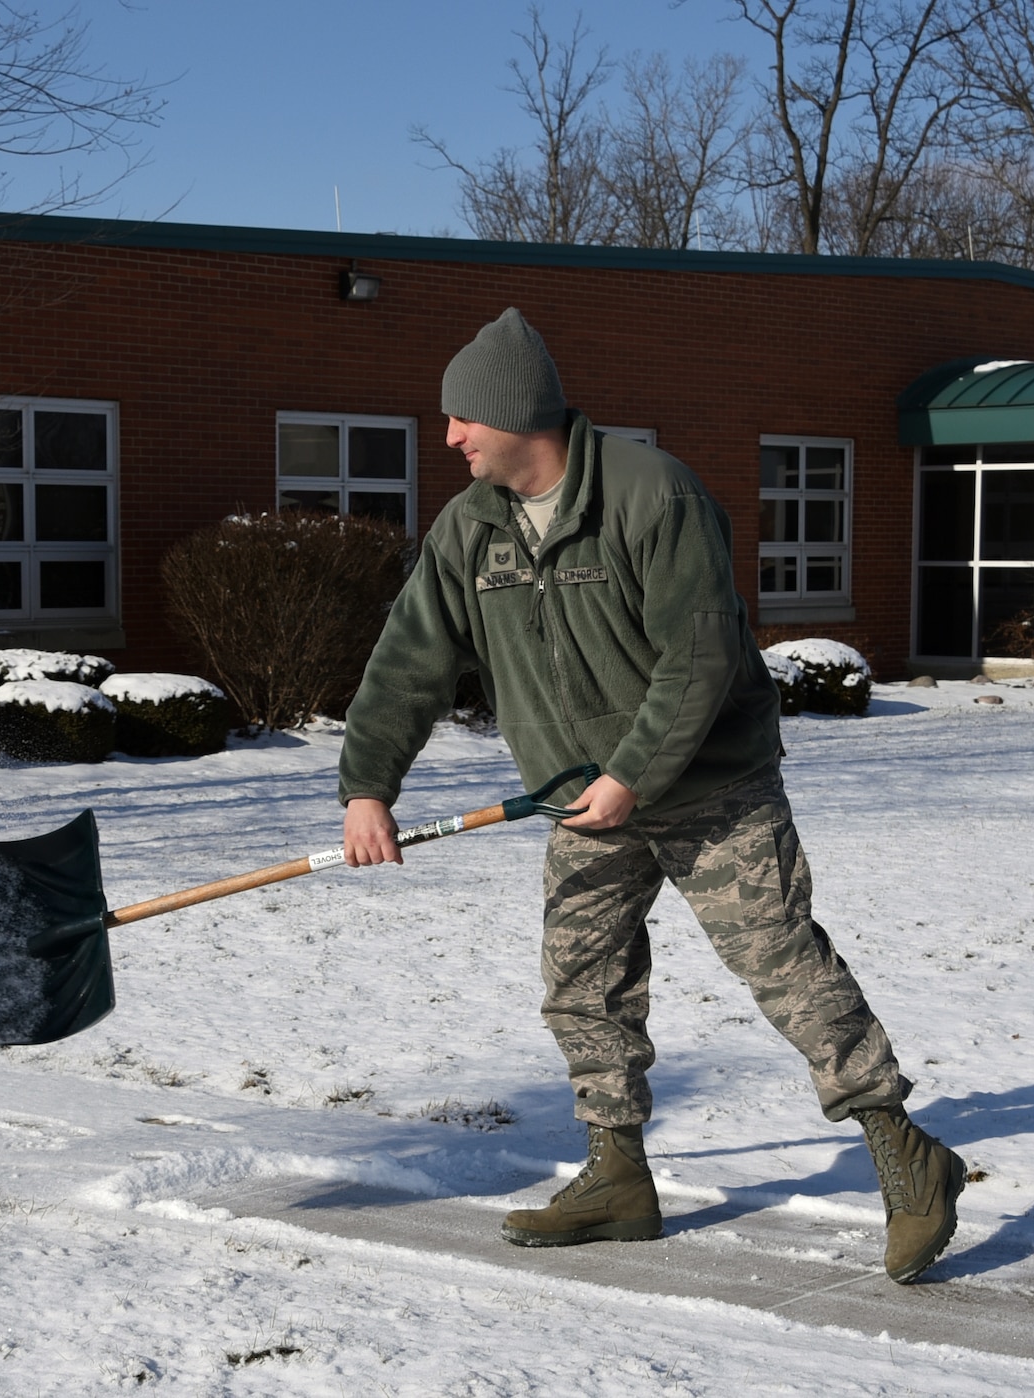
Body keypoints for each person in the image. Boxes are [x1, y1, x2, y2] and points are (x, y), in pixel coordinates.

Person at [337, 307, 965, 1284]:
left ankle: (905, 1156)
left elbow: (699, 654)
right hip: (574, 794)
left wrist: (632, 775)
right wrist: (367, 788)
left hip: (707, 783)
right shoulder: (469, 531)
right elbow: (406, 664)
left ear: (514, 415)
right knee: (579, 985)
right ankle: (616, 1178)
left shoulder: (648, 495)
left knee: (779, 965)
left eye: (462, 418)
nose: (449, 437)